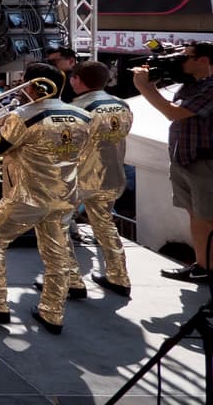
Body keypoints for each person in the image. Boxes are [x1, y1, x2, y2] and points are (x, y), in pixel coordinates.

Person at [0, 62, 90, 335]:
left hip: (26, 196)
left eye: (25, 82)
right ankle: (52, 313)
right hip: (64, 195)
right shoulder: (81, 116)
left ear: (35, 85)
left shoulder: (23, 116)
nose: (22, 87)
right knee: (56, 253)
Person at [132, 41, 213, 283]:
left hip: (205, 162)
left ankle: (208, 269)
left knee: (207, 217)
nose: (181, 61)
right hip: (184, 158)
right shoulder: (191, 85)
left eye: (187, 57)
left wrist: (145, 88)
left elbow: (174, 113)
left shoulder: (210, 88)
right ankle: (202, 266)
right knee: (196, 216)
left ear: (204, 60)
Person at [59, 60, 135, 298]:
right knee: (105, 225)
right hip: (112, 176)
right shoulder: (122, 105)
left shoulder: (75, 108)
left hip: (79, 179)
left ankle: (72, 280)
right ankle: (119, 276)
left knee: (58, 227)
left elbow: (64, 146)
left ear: (76, 80)